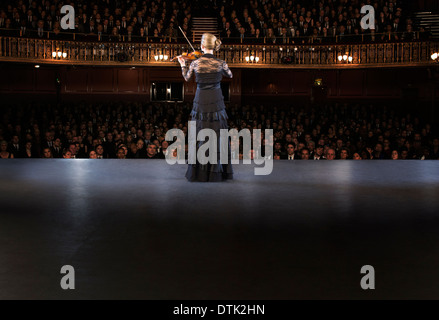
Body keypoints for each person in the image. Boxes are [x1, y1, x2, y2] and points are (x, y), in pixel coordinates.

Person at [178, 33, 233, 182]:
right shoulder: (221, 62)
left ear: (202, 46)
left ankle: (199, 173)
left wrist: (184, 64)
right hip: (216, 99)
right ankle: (219, 172)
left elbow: (186, 77)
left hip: (201, 99)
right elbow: (230, 75)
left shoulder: (196, 63)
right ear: (214, 46)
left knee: (200, 132)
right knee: (218, 133)